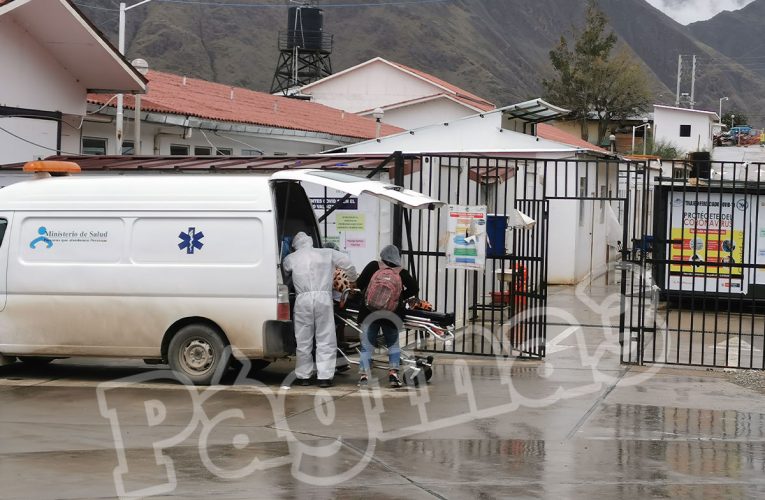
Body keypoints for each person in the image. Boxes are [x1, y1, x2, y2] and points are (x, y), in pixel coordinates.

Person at [282, 232, 357, 388]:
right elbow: (348, 264)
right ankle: (325, 377)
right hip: (324, 299)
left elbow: (284, 271)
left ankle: (304, 376)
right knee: (326, 338)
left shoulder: (292, 258)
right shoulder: (326, 253)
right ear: (310, 241)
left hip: (302, 299)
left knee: (303, 339)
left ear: (295, 245)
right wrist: (352, 280)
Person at [355, 245, 418, 388]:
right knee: (393, 345)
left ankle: (364, 377)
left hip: (369, 312)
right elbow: (414, 288)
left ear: (382, 255)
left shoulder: (373, 266)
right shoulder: (401, 272)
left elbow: (359, 284)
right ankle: (393, 375)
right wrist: (398, 298)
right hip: (392, 314)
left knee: (367, 346)